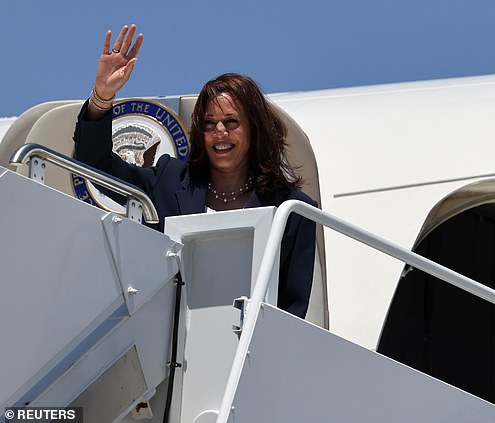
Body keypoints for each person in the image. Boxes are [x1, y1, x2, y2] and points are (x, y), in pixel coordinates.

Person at [72, 24, 317, 318]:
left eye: (231, 122)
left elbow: (293, 311)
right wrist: (102, 97)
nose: (219, 132)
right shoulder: (169, 179)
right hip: (167, 350)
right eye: (209, 124)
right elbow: (96, 166)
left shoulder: (293, 211)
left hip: (249, 354)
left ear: (255, 129)